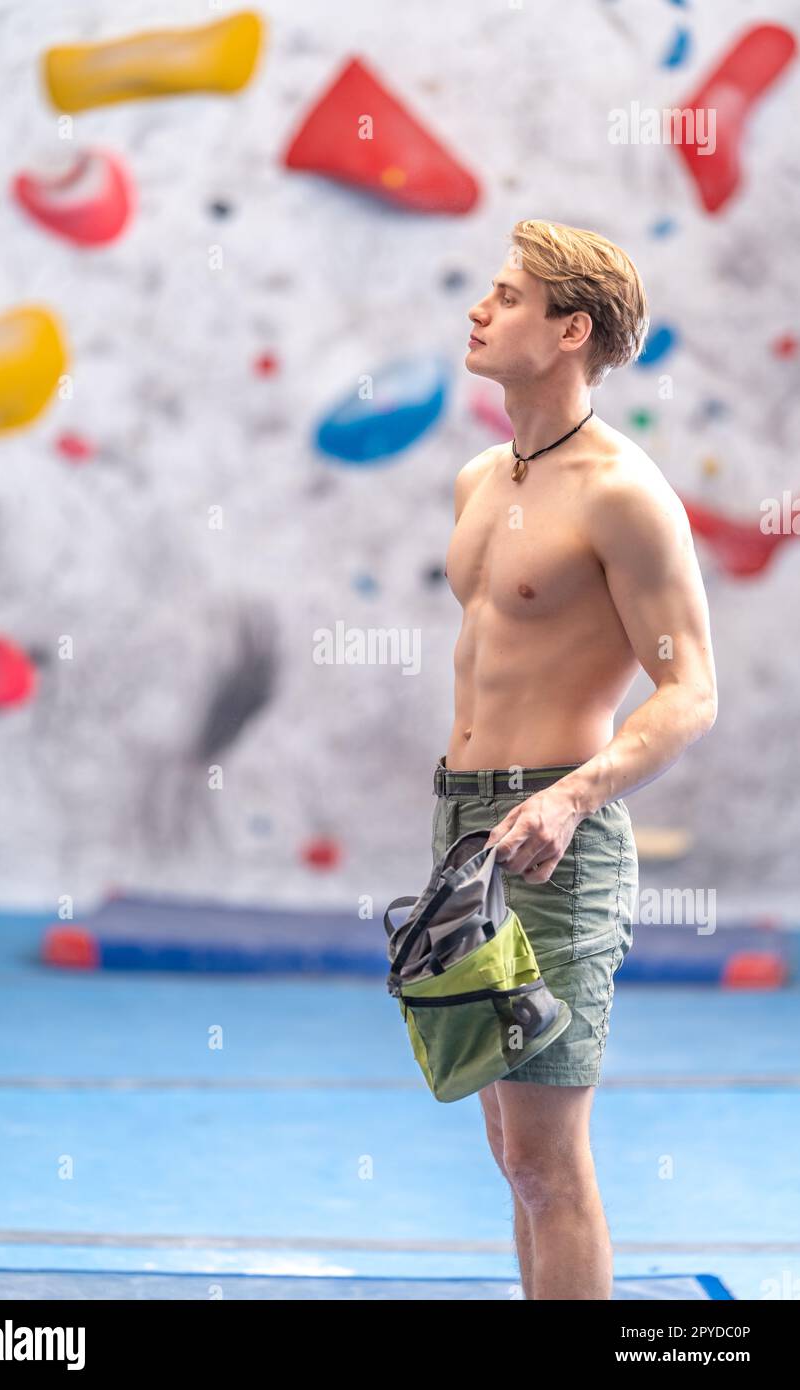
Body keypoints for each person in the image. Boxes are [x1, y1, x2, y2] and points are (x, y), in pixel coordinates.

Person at [435, 218, 717, 1299]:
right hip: (460, 829)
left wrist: (571, 797)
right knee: (511, 1153)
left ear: (568, 329)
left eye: (504, 297)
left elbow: (688, 690)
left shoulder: (623, 494)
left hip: (557, 847)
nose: (478, 309)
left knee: (551, 1163)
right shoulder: (475, 480)